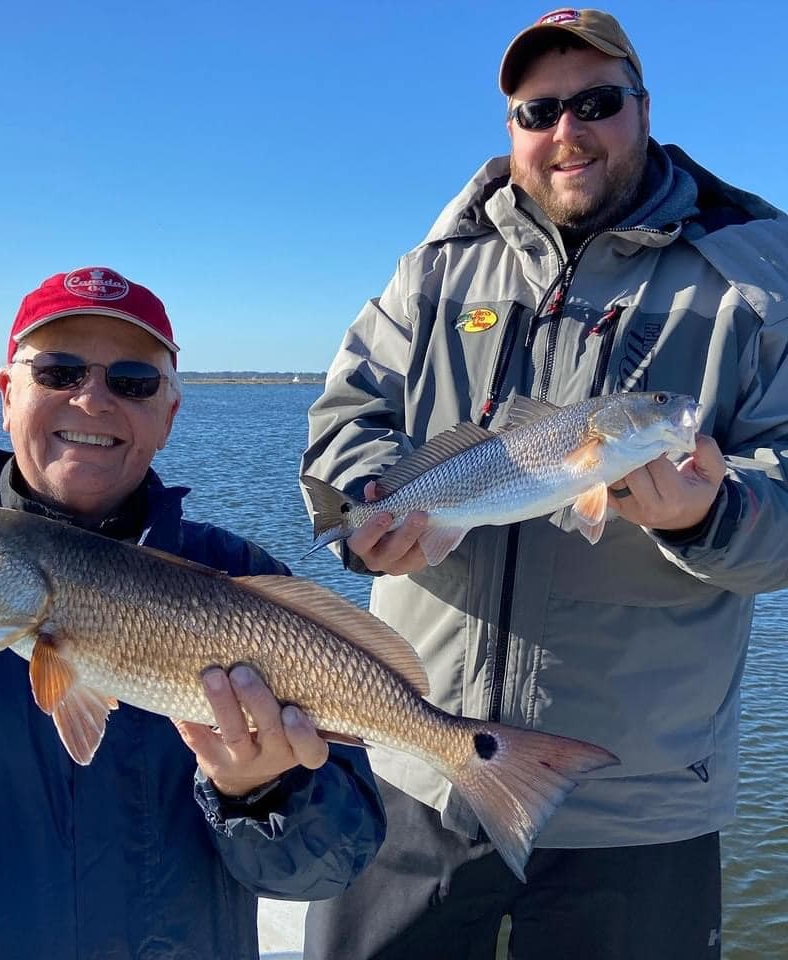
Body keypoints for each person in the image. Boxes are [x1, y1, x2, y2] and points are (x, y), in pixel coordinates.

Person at [301, 8, 788, 960]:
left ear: (644, 110)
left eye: (596, 102)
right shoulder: (436, 268)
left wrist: (712, 514)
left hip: (635, 804)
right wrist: (364, 507)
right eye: (537, 110)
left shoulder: (757, 276)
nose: (567, 130)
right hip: (419, 772)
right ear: (512, 129)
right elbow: (344, 422)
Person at [0, 265, 385, 959]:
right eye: (59, 372)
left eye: (132, 381)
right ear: (7, 393)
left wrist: (258, 794)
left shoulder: (245, 583)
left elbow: (329, 868)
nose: (91, 399)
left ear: (169, 414)